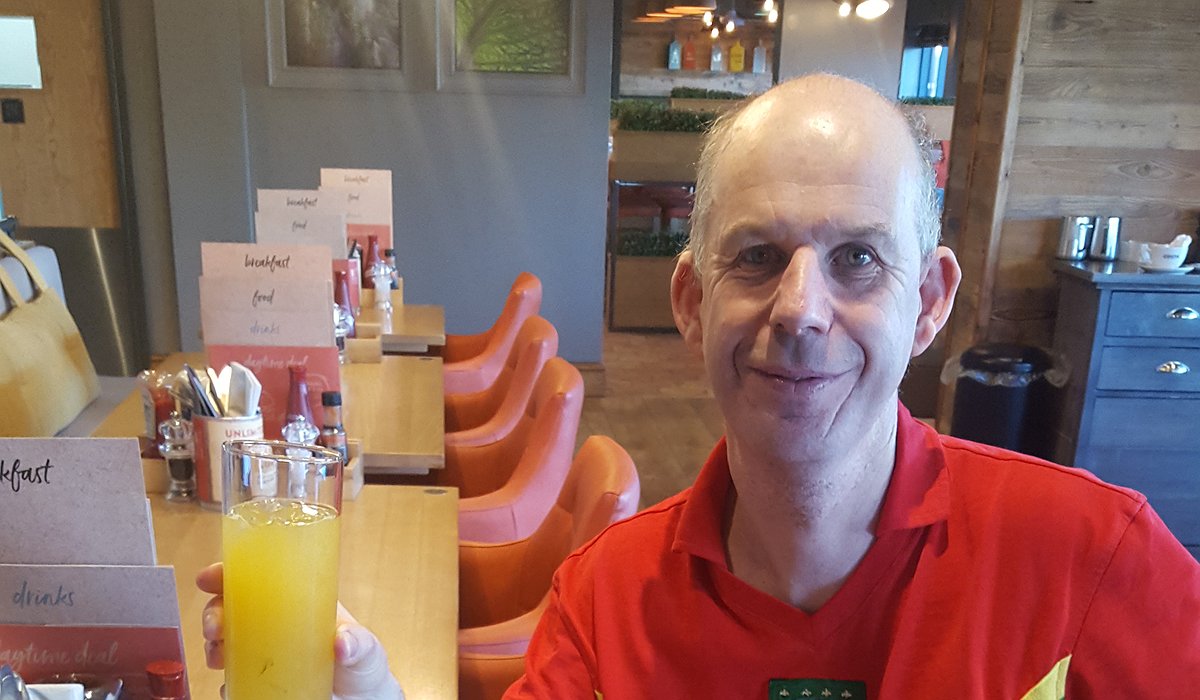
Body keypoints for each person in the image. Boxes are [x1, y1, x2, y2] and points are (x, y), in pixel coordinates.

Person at [199, 74, 1200, 697]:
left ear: (929, 303)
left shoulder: (1094, 561)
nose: (801, 309)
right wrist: (365, 689)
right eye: (758, 257)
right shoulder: (604, 602)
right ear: (690, 299)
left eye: (857, 259)